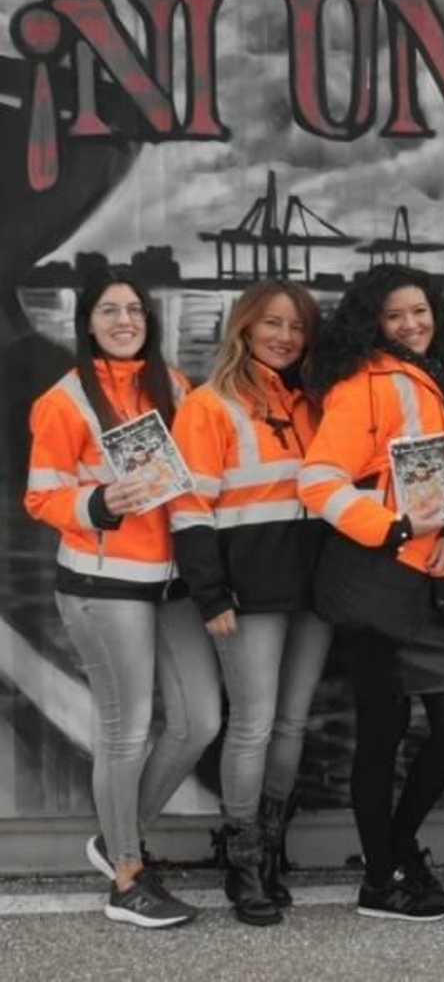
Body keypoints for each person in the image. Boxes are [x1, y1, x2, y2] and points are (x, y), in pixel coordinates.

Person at [24, 267, 220, 928]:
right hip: (103, 585)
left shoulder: (176, 386)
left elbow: (196, 480)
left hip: (171, 585)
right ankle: (128, 880)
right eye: (109, 310)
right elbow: (40, 496)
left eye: (134, 309)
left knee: (200, 721)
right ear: (87, 322)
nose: (124, 320)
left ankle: (116, 838)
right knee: (126, 729)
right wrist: (99, 502)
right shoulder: (64, 400)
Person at [297, 265, 444, 922]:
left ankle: (397, 844)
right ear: (372, 325)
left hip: (426, 581)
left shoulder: (441, 378)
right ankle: (382, 878)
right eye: (395, 316)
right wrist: (395, 527)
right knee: (383, 732)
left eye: (420, 312)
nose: (411, 325)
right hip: (376, 580)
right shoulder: (365, 384)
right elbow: (319, 481)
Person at [169, 280, 332, 924]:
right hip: (248, 594)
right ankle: (242, 859)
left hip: (313, 589)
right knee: (254, 723)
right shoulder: (209, 406)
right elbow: (188, 508)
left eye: (296, 326)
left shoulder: (312, 403)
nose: (285, 337)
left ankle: (271, 845)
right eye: (272, 323)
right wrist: (211, 594)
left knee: (292, 723)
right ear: (243, 326)